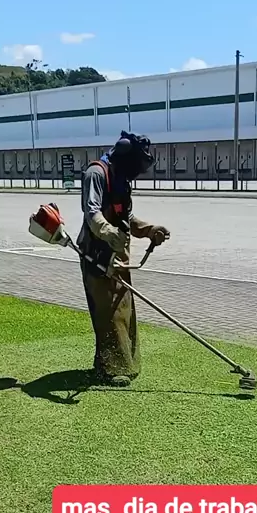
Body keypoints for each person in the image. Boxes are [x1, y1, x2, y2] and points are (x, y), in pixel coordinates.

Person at [77, 132, 170, 387]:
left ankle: (123, 363)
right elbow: (92, 213)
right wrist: (108, 232)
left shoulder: (121, 179)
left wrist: (150, 230)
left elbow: (127, 218)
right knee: (107, 311)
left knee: (123, 308)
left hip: (118, 256)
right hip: (96, 253)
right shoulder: (96, 174)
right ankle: (110, 369)